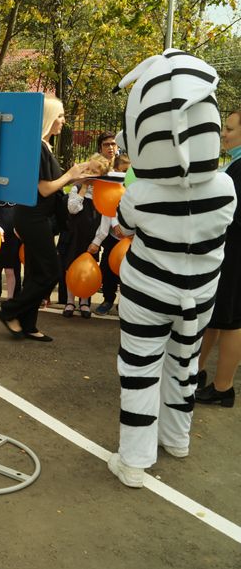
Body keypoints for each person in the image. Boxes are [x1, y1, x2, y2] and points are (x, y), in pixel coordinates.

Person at [107, 50, 236, 488]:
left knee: (139, 369)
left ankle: (134, 461)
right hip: (200, 295)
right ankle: (177, 439)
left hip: (148, 294)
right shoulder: (226, 188)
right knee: (184, 363)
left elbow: (123, 229)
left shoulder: (141, 194)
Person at [0, 97, 99, 342]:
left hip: (35, 217)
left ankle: (27, 324)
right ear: (49, 118)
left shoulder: (43, 146)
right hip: (33, 218)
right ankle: (10, 311)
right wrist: (71, 175)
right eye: (60, 116)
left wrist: (78, 176)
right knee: (51, 271)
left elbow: (53, 186)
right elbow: (44, 189)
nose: (63, 121)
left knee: (35, 273)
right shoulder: (38, 147)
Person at [195, 108, 241, 408]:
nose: (223, 133)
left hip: (234, 253)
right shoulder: (235, 164)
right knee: (215, 317)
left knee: (232, 321)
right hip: (228, 251)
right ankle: (193, 371)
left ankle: (223, 387)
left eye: (230, 128)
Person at [62, 153, 111, 318]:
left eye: (94, 170)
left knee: (88, 269)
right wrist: (83, 188)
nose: (89, 172)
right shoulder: (77, 188)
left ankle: (84, 302)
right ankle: (70, 301)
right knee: (71, 268)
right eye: (88, 168)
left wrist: (97, 241)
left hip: (92, 238)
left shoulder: (103, 193)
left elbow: (106, 220)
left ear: (102, 175)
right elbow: (73, 209)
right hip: (75, 235)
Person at [93, 132, 123, 315]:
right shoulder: (99, 167)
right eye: (106, 144)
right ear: (100, 147)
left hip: (129, 230)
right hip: (108, 226)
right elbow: (109, 202)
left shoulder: (126, 165)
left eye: (113, 144)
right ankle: (108, 299)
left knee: (127, 269)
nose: (111, 147)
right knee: (107, 266)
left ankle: (125, 302)